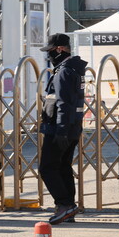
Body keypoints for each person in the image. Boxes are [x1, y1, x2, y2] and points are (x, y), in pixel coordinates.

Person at [38, 33, 87, 226]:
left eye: (50, 51)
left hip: (59, 128)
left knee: (47, 168)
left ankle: (64, 204)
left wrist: (61, 130)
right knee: (63, 167)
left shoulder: (65, 71)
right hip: (71, 127)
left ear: (59, 49)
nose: (48, 55)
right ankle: (68, 208)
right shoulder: (73, 69)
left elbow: (64, 103)